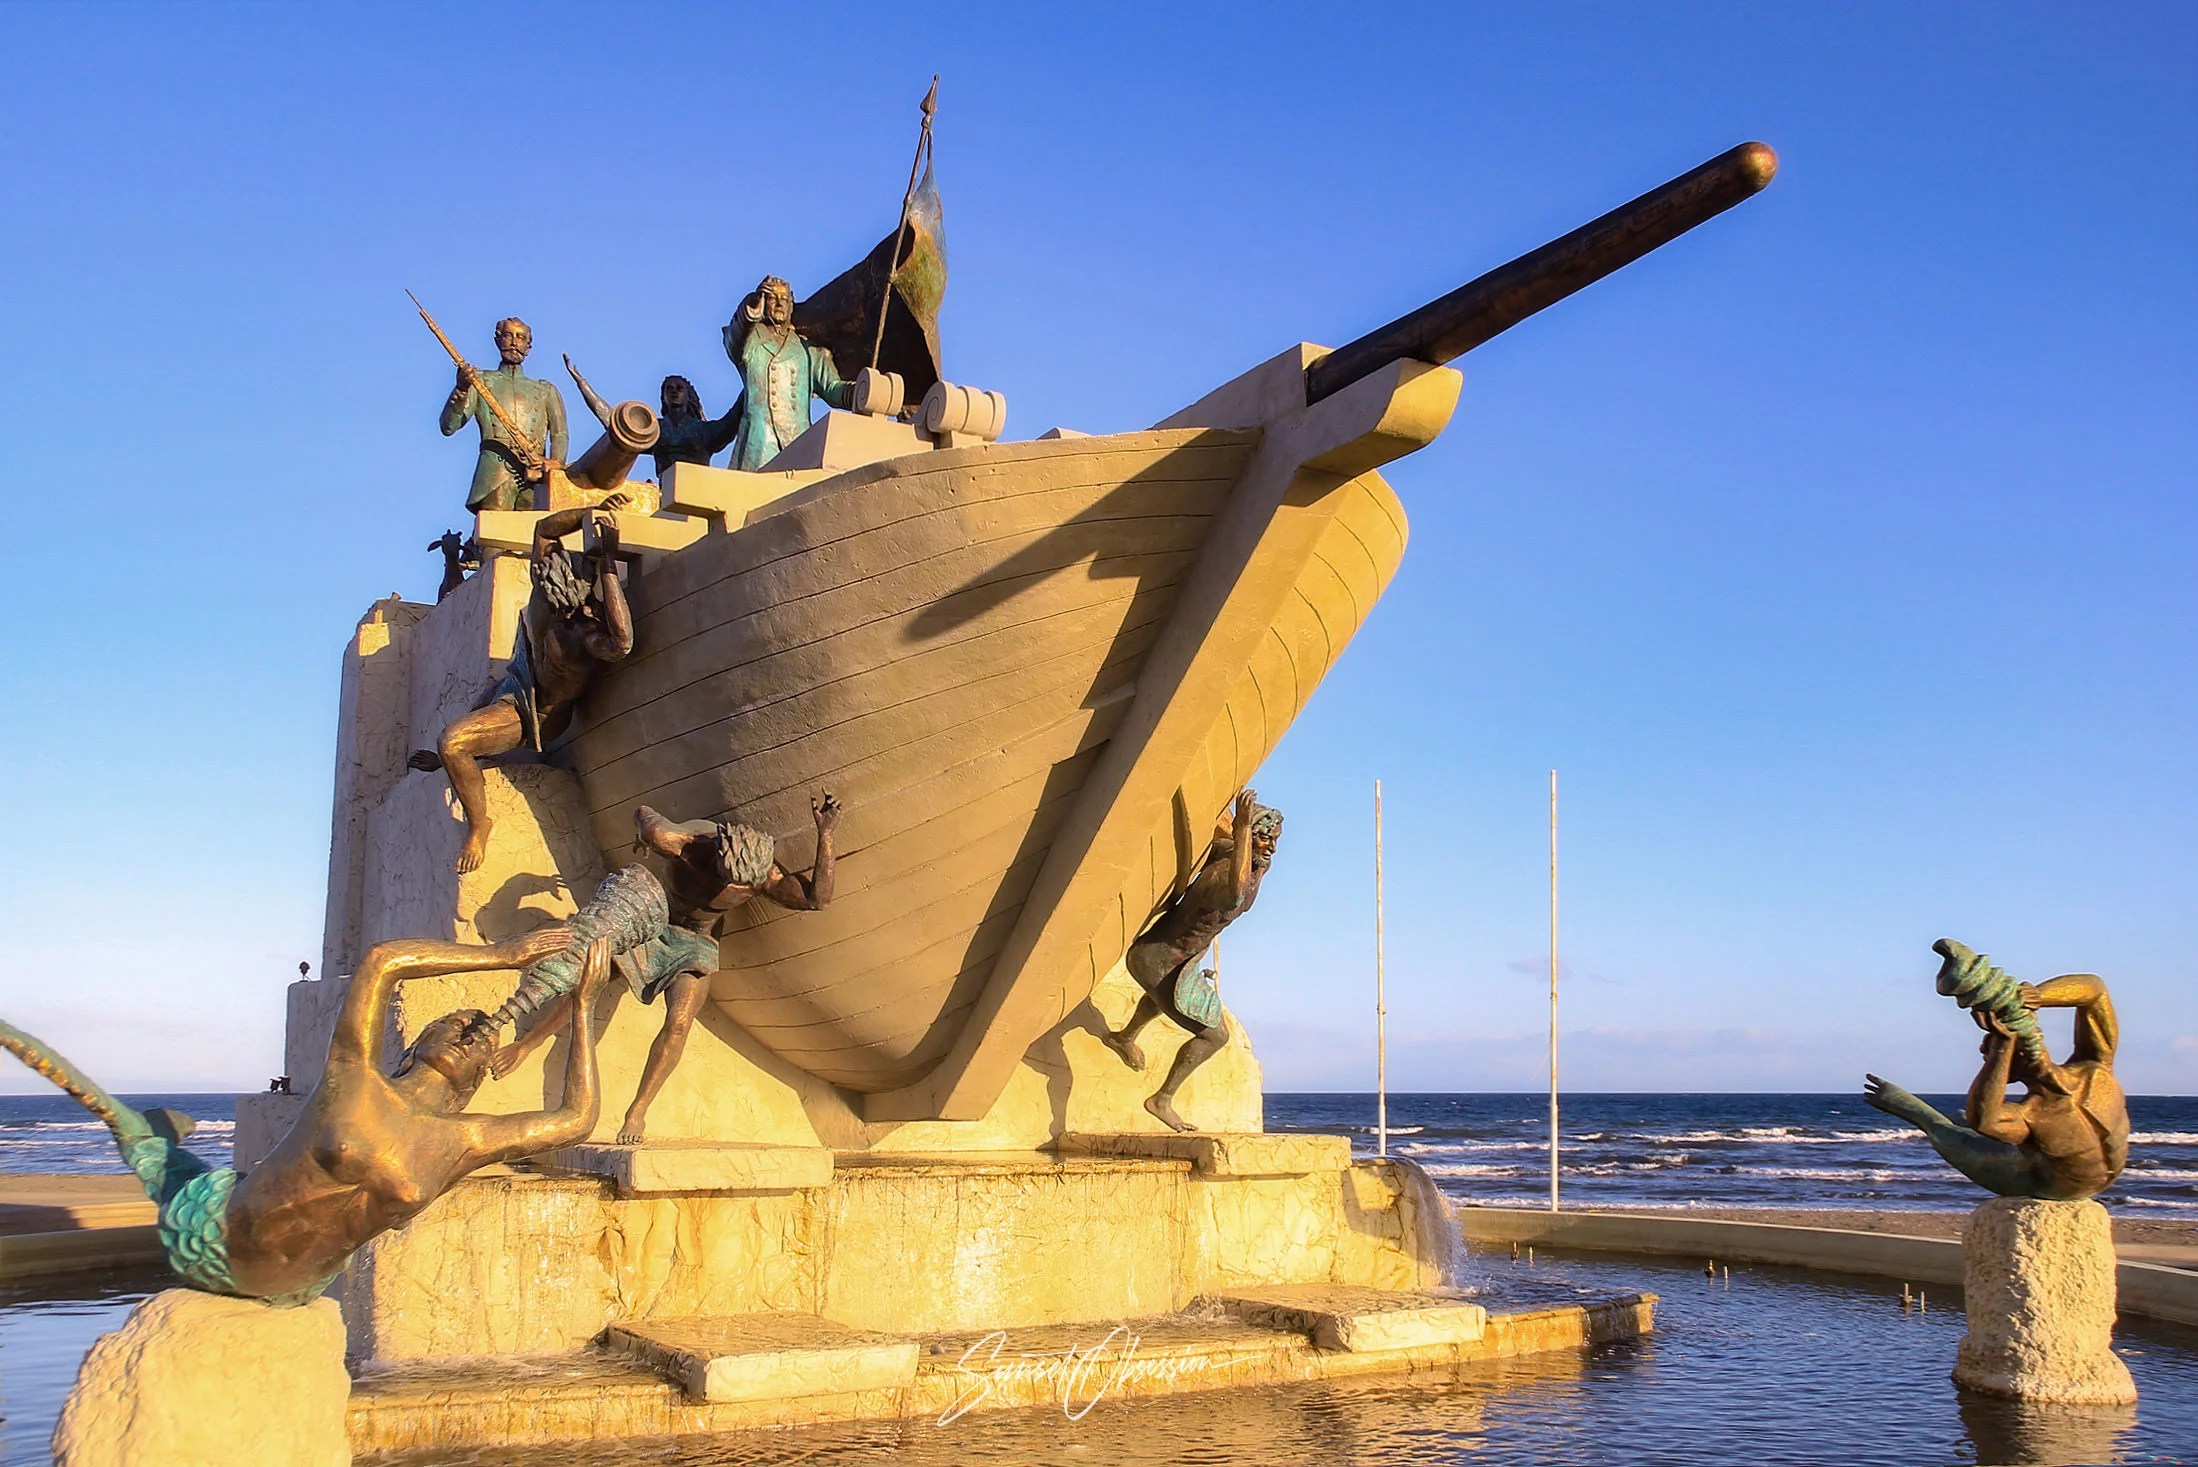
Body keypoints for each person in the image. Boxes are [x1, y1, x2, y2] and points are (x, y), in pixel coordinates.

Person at [0, 925, 609, 1305]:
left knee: (155, 1149)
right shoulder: (354, 1081)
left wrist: (583, 1004)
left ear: (480, 1079)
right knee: (124, 1126)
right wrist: (503, 955)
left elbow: (576, 1118)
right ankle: (152, 1128)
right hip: (213, 1240)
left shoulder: (465, 1141)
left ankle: (164, 1134)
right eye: (452, 1024)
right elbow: (380, 961)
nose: (469, 1035)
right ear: (414, 1046)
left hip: (292, 1287)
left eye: (478, 1040)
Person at [492, 794, 841, 1144]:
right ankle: (526, 1044)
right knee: (588, 981)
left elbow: (818, 899)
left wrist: (825, 833)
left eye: (743, 887)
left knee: (678, 1023)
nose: (730, 889)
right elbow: (645, 815)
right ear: (715, 857)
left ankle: (637, 1111)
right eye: (726, 880)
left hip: (697, 943)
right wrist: (642, 835)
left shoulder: (762, 871)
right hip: (651, 923)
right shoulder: (681, 842)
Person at [408, 496, 634, 873]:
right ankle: (451, 762)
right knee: (468, 721)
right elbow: (544, 530)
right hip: (514, 687)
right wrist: (592, 512)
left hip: (536, 716)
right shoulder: (548, 600)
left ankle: (479, 825)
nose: (540, 594)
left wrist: (609, 563)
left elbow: (622, 641)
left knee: (453, 742)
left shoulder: (586, 634)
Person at [1865, 939, 2130, 1200]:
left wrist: (2037, 996)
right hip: (2051, 1185)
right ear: (2006, 1072)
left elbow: (2095, 990)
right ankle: (1917, 1112)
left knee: (1964, 1120)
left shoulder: (2095, 1068)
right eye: (1993, 1057)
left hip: (2093, 1183)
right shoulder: (2029, 1117)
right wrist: (2002, 1047)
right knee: (1949, 1133)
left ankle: (1953, 1117)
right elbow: (1985, 1121)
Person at [1101, 789, 1281, 1131]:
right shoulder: (1227, 881)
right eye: (1262, 837)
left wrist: (1237, 820)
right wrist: (1243, 828)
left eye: (1274, 839)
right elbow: (1236, 893)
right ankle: (1162, 1099)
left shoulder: (1241, 859)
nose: (1270, 847)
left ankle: (1124, 1037)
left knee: (1164, 999)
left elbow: (1222, 833)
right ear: (1246, 835)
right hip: (1157, 962)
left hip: (1170, 961)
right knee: (1215, 1036)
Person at [438, 317, 569, 512]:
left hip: (535, 476)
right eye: (508, 335)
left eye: (521, 338)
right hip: (495, 475)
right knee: (494, 538)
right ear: (497, 340)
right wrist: (462, 388)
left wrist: (555, 463)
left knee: (537, 536)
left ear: (528, 347)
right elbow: (448, 426)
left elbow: (560, 434)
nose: (515, 342)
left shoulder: (545, 390)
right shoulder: (480, 380)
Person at [722, 276, 852, 469]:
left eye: (785, 299)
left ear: (792, 305)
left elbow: (832, 388)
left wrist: (858, 392)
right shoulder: (751, 341)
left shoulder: (807, 349)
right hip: (759, 444)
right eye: (773, 298)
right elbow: (734, 341)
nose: (780, 303)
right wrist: (749, 313)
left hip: (798, 441)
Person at [652, 375, 743, 477]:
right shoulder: (655, 428)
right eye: (669, 388)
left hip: (697, 486)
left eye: (679, 388)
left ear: (688, 396)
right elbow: (633, 439)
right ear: (663, 397)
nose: (674, 391)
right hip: (666, 489)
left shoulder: (703, 430)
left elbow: (731, 420)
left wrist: (747, 391)